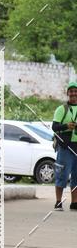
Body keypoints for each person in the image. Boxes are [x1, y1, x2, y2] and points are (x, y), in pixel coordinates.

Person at [52, 81, 77, 210]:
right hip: (65, 146)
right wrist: (67, 126)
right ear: (68, 93)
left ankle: (74, 203)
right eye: (71, 91)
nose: (73, 93)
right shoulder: (62, 109)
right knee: (62, 174)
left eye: (75, 91)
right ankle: (58, 202)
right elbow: (54, 127)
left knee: (76, 176)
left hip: (76, 146)